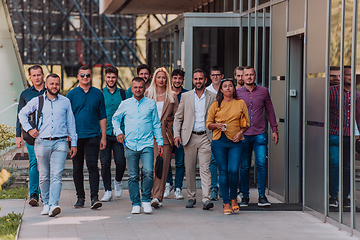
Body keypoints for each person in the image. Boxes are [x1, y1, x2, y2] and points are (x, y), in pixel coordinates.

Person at [19, 73, 77, 217]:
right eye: (52, 84)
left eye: (57, 84)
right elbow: (22, 114)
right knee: (44, 176)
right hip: (42, 142)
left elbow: (72, 123)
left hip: (61, 142)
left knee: (56, 175)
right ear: (46, 85)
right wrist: (29, 129)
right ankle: (46, 203)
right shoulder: (37, 101)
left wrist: (74, 143)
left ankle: (54, 204)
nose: (54, 86)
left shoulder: (65, 102)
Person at [112, 77, 163, 214]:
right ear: (132, 88)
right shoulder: (125, 104)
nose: (138, 89)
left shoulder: (151, 104)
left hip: (147, 144)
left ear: (144, 88)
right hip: (130, 144)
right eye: (135, 87)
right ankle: (135, 203)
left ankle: (146, 200)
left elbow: (156, 124)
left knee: (148, 172)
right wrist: (119, 132)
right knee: (133, 175)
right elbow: (115, 119)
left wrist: (160, 142)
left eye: (140, 87)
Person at [173, 69, 216, 210]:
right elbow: (178, 117)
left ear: (205, 80)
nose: (198, 81)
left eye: (200, 79)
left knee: (205, 168)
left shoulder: (213, 96)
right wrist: (177, 135)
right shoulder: (186, 96)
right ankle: (191, 197)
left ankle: (206, 199)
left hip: (206, 136)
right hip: (189, 137)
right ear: (193, 81)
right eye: (195, 79)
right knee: (190, 168)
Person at [237, 66, 279, 207]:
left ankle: (262, 196)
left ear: (255, 76)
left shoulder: (263, 91)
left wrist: (274, 129)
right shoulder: (237, 93)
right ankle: (245, 197)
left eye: (251, 75)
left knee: (261, 164)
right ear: (242, 77)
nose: (249, 77)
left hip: (259, 134)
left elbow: (270, 110)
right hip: (244, 135)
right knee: (244, 166)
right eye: (246, 75)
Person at [206, 78, 250, 214]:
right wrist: (216, 125)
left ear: (234, 88)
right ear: (221, 90)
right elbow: (208, 124)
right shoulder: (215, 105)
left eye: (230, 86)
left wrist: (241, 132)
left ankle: (233, 198)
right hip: (219, 141)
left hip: (236, 141)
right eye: (225, 86)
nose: (228, 88)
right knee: (223, 171)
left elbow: (247, 123)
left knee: (233, 170)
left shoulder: (240, 103)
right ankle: (226, 202)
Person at [67, 66, 107, 209]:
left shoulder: (98, 94)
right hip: (75, 138)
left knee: (93, 167)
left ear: (91, 77)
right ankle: (80, 198)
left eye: (88, 75)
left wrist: (103, 137)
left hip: (93, 136)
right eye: (82, 75)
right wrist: (68, 134)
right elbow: (67, 116)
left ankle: (95, 198)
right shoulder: (71, 95)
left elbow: (102, 116)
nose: (85, 78)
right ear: (78, 76)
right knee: (77, 167)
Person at [144, 67, 178, 208]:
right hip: (148, 135)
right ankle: (149, 194)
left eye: (164, 77)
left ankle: (157, 197)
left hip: (165, 136)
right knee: (149, 167)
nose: (161, 80)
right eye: (159, 77)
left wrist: (176, 135)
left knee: (162, 167)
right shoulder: (147, 94)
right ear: (155, 79)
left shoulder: (172, 96)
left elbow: (177, 117)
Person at [328, 66, 360, 208]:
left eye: (351, 75)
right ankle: (333, 196)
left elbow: (358, 116)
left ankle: (345, 196)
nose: (349, 77)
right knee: (334, 164)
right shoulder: (330, 92)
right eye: (347, 75)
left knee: (347, 167)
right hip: (333, 134)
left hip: (349, 135)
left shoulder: (357, 95)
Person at [16, 65, 46, 206]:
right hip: (30, 135)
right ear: (30, 77)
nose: (36, 77)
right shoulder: (25, 94)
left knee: (45, 163)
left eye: (38, 75)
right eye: (33, 75)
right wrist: (18, 135)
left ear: (43, 75)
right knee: (34, 162)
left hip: (47, 134)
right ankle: (34, 194)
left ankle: (44, 193)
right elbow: (20, 116)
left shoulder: (50, 91)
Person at [100, 66, 127, 202]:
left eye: (113, 77)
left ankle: (117, 180)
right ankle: (107, 190)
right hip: (104, 134)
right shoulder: (100, 93)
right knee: (105, 163)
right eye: (109, 77)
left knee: (121, 161)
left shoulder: (123, 94)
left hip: (119, 133)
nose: (111, 80)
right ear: (105, 78)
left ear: (117, 78)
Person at [164, 69, 188, 199]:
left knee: (180, 161)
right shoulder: (167, 93)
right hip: (167, 131)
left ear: (183, 80)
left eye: (180, 78)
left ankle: (178, 187)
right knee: (166, 160)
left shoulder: (187, 94)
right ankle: (168, 183)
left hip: (182, 131)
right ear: (171, 79)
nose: (177, 80)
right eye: (175, 78)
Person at [206, 66, 224, 201]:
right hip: (212, 131)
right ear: (210, 76)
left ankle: (224, 187)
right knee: (213, 161)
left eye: (218, 74)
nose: (216, 77)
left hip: (227, 130)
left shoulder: (227, 89)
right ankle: (214, 188)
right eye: (213, 75)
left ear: (222, 76)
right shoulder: (206, 91)